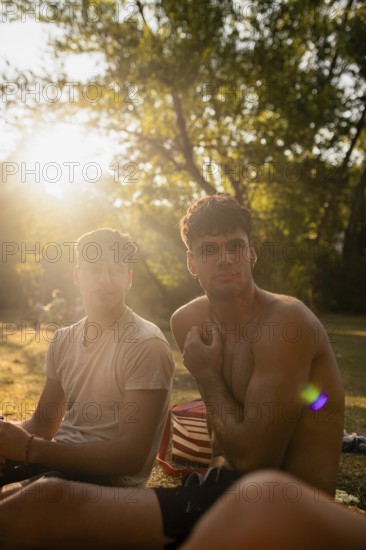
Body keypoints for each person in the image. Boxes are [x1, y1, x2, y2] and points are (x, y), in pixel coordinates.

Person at [0, 196, 345, 548]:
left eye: (235, 247)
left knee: (45, 502)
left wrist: (206, 374)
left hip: (284, 514)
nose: (225, 259)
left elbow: (257, 463)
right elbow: (223, 435)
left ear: (252, 253)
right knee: (24, 503)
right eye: (209, 249)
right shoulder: (189, 321)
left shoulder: (286, 323)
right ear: (191, 262)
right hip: (214, 493)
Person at [0, 228, 175, 489]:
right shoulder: (62, 340)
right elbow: (42, 424)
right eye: (94, 269)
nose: (104, 280)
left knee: (32, 497)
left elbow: (131, 458)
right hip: (53, 461)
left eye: (114, 270)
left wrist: (30, 449)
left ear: (128, 279)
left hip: (106, 484)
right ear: (77, 276)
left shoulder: (145, 344)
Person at [182, 470, 366, 550]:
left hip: (277, 512)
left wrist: (213, 390)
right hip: (226, 491)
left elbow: (251, 459)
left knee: (264, 494)